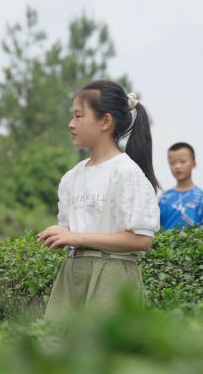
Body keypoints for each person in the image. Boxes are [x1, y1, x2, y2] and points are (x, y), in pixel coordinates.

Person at [38, 80, 160, 319]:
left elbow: (142, 239)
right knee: (59, 352)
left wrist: (76, 237)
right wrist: (62, 234)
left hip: (113, 276)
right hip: (72, 273)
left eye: (78, 116)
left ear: (105, 121)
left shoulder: (126, 172)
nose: (71, 124)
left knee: (104, 353)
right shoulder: (71, 177)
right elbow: (71, 231)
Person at [158, 142, 203, 229]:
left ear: (194, 164)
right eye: (172, 163)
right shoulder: (163, 198)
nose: (177, 166)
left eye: (183, 162)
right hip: (166, 242)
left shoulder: (201, 197)